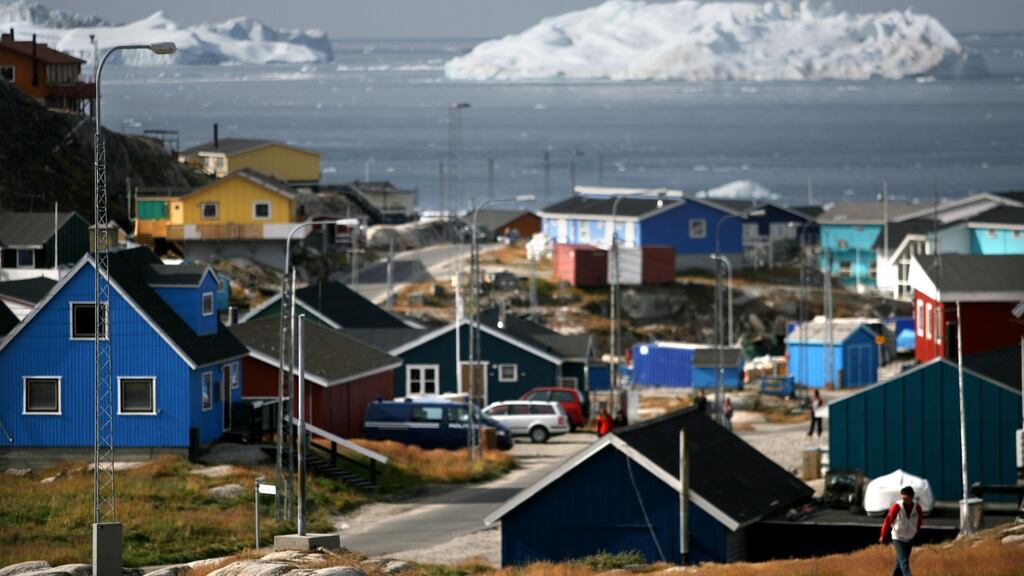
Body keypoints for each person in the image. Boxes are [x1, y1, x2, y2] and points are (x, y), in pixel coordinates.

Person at [879, 486, 924, 576]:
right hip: (898, 537)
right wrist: (883, 535)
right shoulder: (897, 506)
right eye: (902, 495)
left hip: (909, 537)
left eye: (905, 495)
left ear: (910, 497)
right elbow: (888, 520)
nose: (903, 497)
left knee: (899, 564)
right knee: (904, 562)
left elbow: (919, 520)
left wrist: (916, 531)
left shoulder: (917, 507)